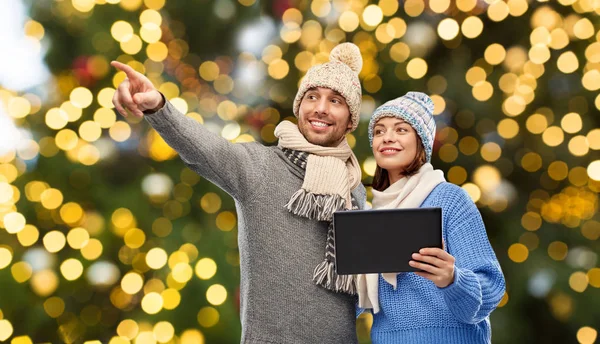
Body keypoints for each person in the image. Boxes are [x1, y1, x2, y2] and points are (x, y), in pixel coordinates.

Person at [111, 43, 366, 343]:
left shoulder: (353, 188)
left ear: (350, 120)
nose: (320, 108)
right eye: (312, 97)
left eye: (335, 100)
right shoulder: (259, 167)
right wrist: (157, 106)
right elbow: (204, 148)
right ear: (299, 107)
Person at [356, 92, 506, 343]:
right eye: (379, 131)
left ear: (421, 142)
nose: (387, 137)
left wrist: (453, 279)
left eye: (401, 129)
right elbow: (350, 303)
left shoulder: (450, 200)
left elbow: (491, 289)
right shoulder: (370, 214)